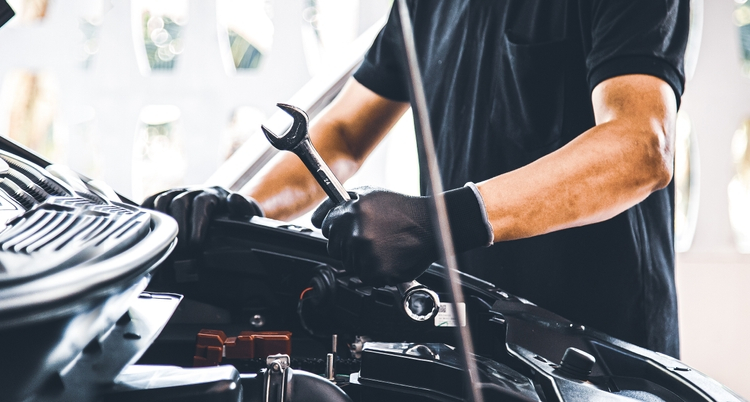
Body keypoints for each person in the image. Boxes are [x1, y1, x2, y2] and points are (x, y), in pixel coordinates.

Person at [143, 0, 688, 358]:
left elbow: (639, 147)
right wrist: (246, 207)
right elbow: (344, 135)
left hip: (600, 355)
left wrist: (439, 221)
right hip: (473, 341)